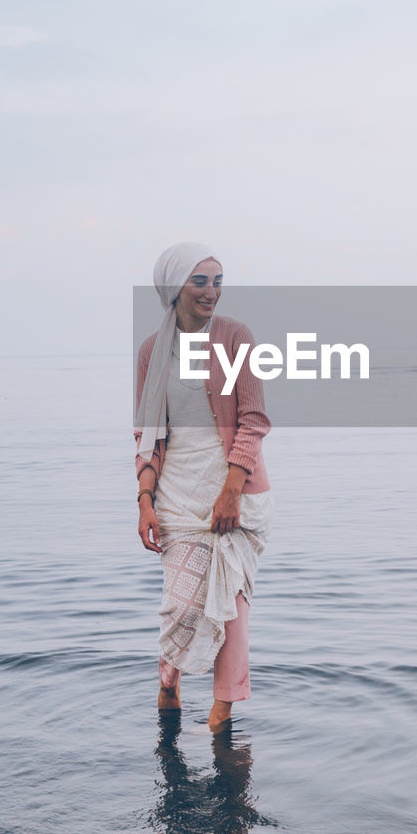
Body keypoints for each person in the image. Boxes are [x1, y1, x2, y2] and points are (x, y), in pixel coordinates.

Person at [134, 242, 273, 733]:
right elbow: (149, 435)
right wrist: (144, 501)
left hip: (235, 494)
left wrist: (232, 489)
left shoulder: (236, 338)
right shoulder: (152, 351)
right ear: (174, 288)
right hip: (176, 498)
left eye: (217, 280)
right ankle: (168, 682)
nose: (212, 291)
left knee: (231, 610)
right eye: (200, 281)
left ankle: (223, 717)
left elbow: (254, 420)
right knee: (180, 605)